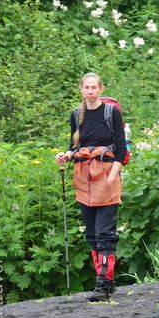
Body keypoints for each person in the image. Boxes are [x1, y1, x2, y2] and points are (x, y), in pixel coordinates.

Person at [55, 73, 127, 302]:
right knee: (92, 234)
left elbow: (122, 149)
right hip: (83, 179)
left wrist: (112, 177)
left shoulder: (111, 112)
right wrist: (65, 156)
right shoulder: (76, 115)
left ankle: (103, 286)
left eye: (94, 87)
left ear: (100, 89)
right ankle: (109, 282)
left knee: (105, 233)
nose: (90, 91)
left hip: (106, 177)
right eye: (86, 87)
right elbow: (74, 145)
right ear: (81, 89)